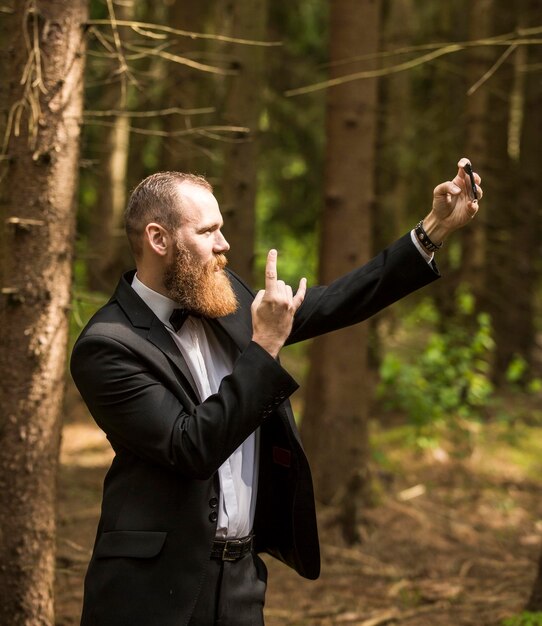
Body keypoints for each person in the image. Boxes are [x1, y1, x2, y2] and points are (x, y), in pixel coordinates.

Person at [70, 158, 482, 626]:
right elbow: (191, 446)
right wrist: (264, 346)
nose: (224, 244)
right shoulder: (108, 345)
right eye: (207, 232)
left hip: (242, 582)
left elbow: (330, 304)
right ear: (158, 239)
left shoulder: (221, 296)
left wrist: (430, 232)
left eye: (221, 228)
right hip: (151, 593)